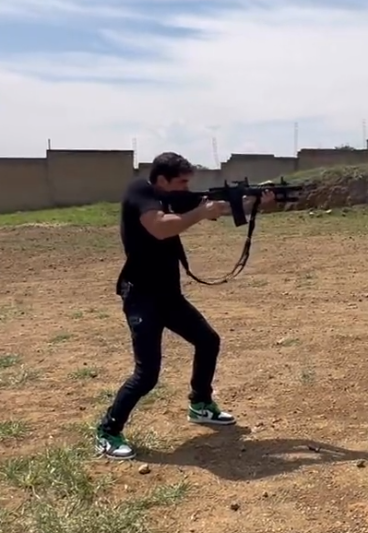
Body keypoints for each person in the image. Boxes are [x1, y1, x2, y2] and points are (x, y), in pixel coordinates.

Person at [95, 151, 275, 460]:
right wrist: (200, 213)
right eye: (181, 182)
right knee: (147, 374)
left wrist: (254, 203)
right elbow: (161, 227)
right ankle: (107, 431)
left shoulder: (173, 198)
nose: (185, 188)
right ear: (161, 179)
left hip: (168, 296)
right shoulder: (140, 192)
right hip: (141, 296)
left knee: (208, 341)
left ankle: (200, 404)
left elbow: (216, 210)